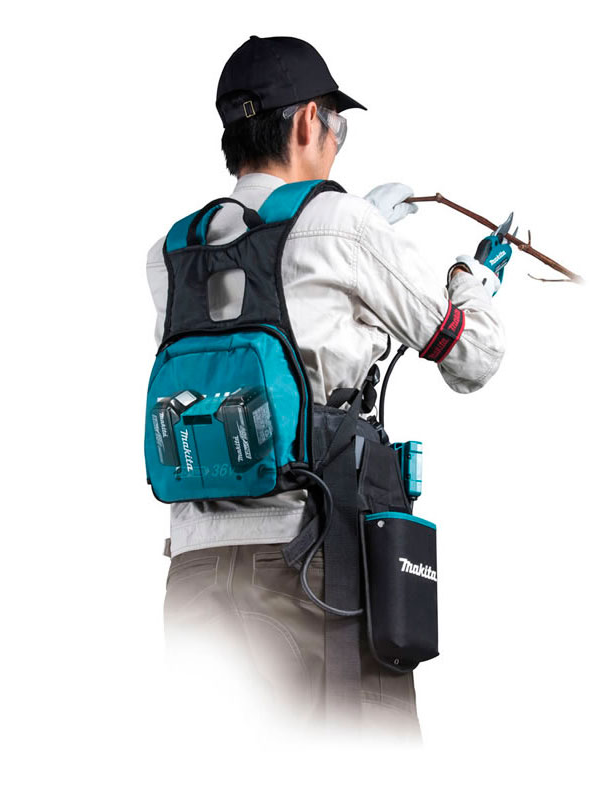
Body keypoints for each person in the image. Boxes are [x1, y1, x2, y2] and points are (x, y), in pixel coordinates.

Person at [145, 35, 505, 744]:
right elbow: (473, 357)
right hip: (311, 566)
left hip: (192, 570)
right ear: (310, 120)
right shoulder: (344, 226)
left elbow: (281, 280)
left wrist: (359, 233)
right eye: (337, 122)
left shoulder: (170, 252)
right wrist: (473, 280)